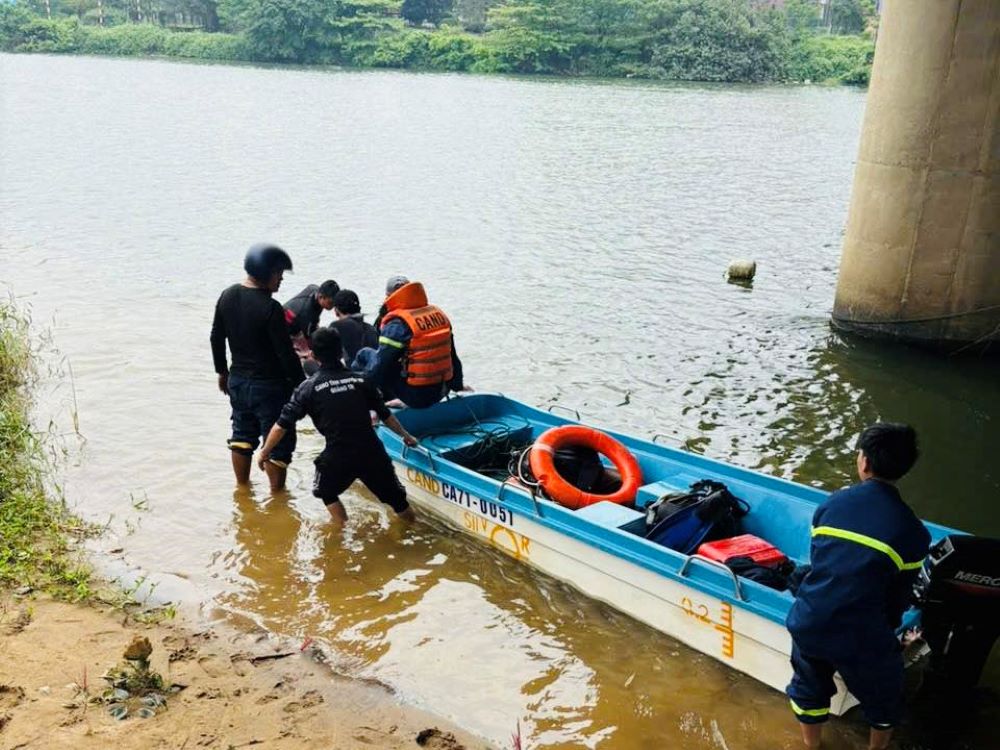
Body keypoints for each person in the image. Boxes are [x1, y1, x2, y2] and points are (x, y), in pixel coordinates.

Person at [785, 423, 931, 750]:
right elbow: (896, 598)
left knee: (808, 687)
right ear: (905, 469)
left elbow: (823, 566)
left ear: (863, 462)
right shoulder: (913, 531)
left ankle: (811, 745)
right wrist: (893, 640)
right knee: (885, 695)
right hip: (859, 634)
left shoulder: (831, 506)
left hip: (809, 620)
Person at [255, 328, 419, 525]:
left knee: (325, 491)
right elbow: (385, 415)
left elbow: (282, 425)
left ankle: (341, 529)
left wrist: (264, 452)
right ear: (341, 352)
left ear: (314, 356)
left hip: (338, 455)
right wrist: (406, 436)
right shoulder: (361, 380)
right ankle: (411, 531)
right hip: (372, 452)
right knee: (398, 501)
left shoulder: (308, 388)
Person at [210, 243, 305, 491]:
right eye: (279, 273)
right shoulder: (271, 308)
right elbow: (285, 354)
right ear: (265, 273)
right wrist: (302, 387)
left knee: (242, 435)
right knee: (277, 445)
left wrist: (222, 372)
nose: (281, 278)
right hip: (270, 386)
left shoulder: (227, 295)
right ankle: (277, 497)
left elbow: (216, 337)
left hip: (238, 381)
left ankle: (242, 488)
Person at [354, 280, 469, 409]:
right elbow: (452, 356)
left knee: (364, 354)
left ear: (389, 297)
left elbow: (379, 369)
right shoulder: (439, 315)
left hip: (416, 397)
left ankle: (365, 407)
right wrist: (458, 385)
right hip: (443, 390)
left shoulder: (398, 324)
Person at [284, 279, 339, 366]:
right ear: (321, 297)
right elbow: (309, 338)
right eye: (330, 303)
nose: (332, 306)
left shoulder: (315, 289)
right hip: (286, 328)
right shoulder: (306, 313)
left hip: (300, 319)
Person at [328, 289, 378, 366]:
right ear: (359, 308)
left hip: (353, 375)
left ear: (336, 310)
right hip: (374, 374)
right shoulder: (372, 329)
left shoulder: (336, 326)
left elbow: (326, 356)